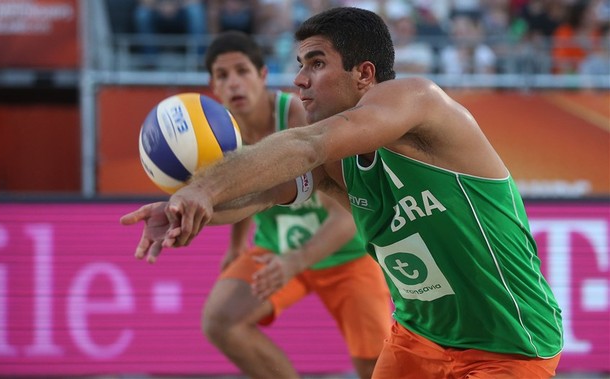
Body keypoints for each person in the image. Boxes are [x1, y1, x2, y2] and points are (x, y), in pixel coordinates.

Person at [121, 6, 564, 379]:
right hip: (418, 337)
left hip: (509, 344)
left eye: (315, 63)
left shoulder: (418, 100)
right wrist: (193, 208)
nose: (299, 80)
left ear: (364, 74)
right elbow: (260, 195)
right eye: (299, 65)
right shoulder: (337, 162)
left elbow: (305, 143)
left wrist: (204, 186)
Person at [209, 30, 392, 379]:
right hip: (277, 250)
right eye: (223, 75)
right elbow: (246, 189)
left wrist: (296, 260)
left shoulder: (301, 118)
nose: (233, 83)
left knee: (374, 367)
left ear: (262, 76)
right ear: (213, 86)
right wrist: (236, 245)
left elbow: (348, 217)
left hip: (344, 254)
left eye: (242, 71)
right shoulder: (220, 133)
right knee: (221, 321)